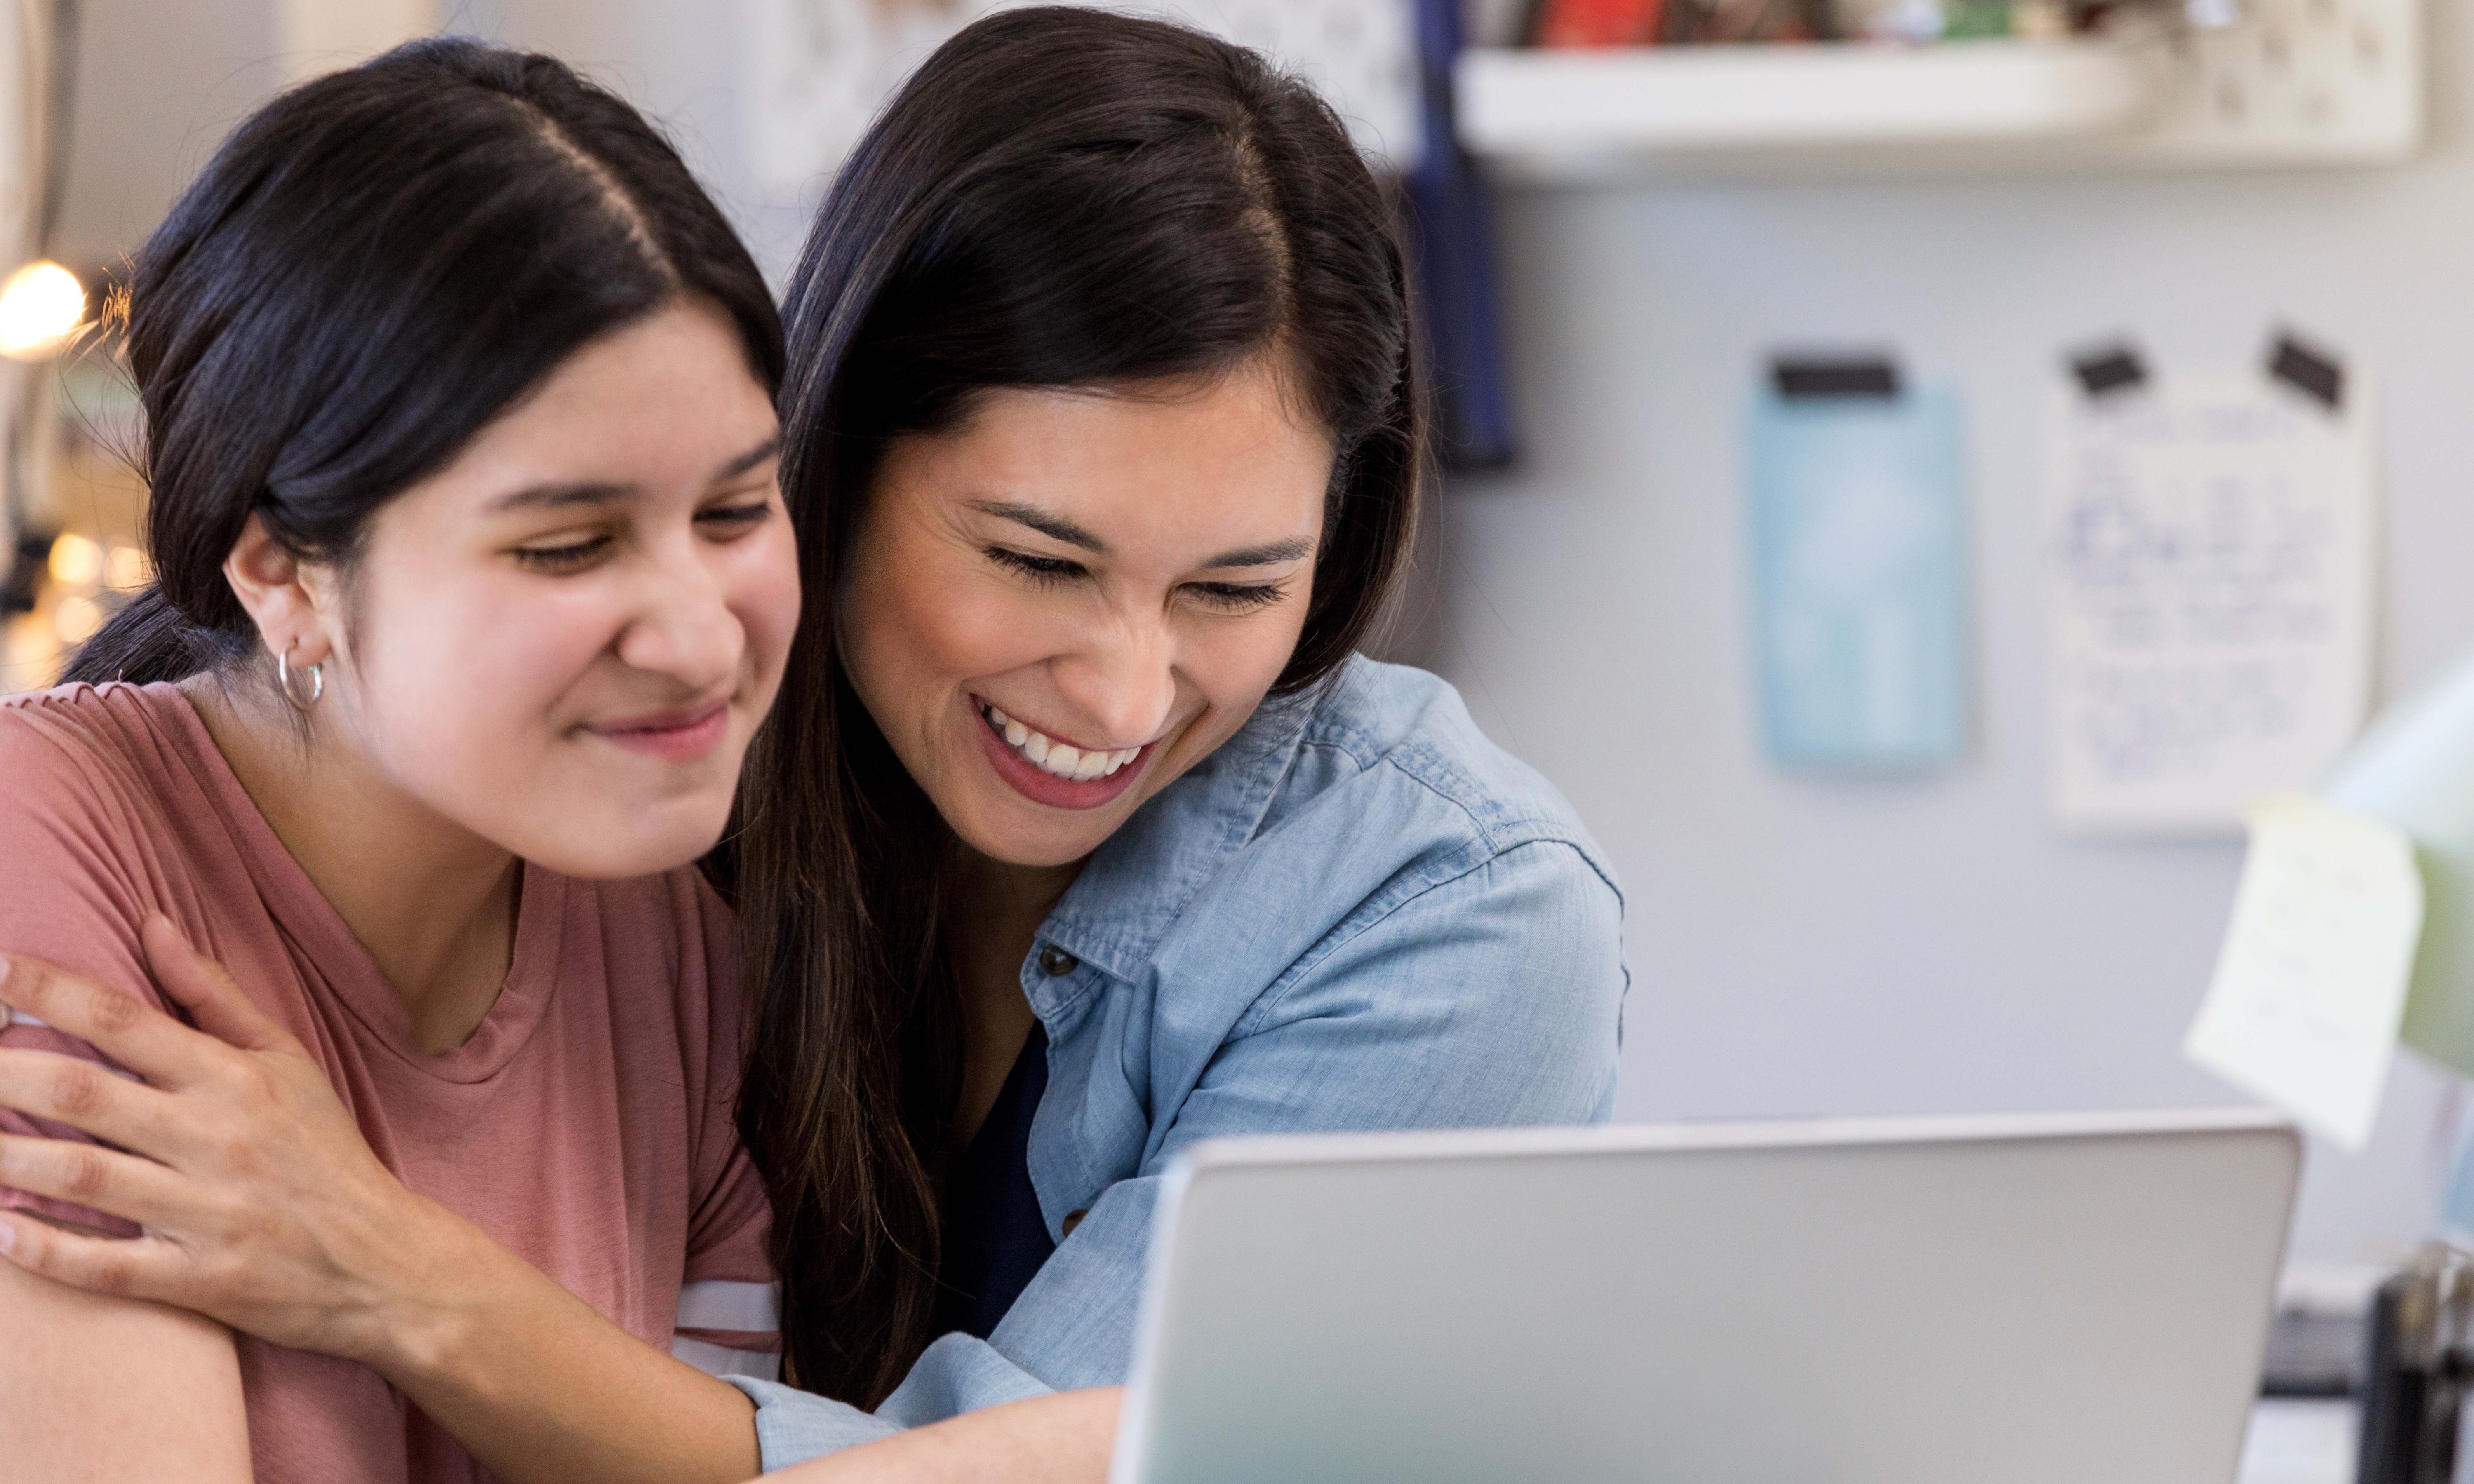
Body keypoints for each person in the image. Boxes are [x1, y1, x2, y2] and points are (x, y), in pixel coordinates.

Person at [0, 8, 1626, 1475]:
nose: (1128, 699)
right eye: (1036, 561)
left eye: (1236, 587)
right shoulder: (642, 843)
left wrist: (394, 1272)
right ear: (839, 460)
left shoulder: (1441, 901)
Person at [0, 38, 1108, 1484]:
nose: (703, 641)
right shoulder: (48, 869)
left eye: (732, 512)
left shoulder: (671, 957)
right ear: (279, 567)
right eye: (568, 545)